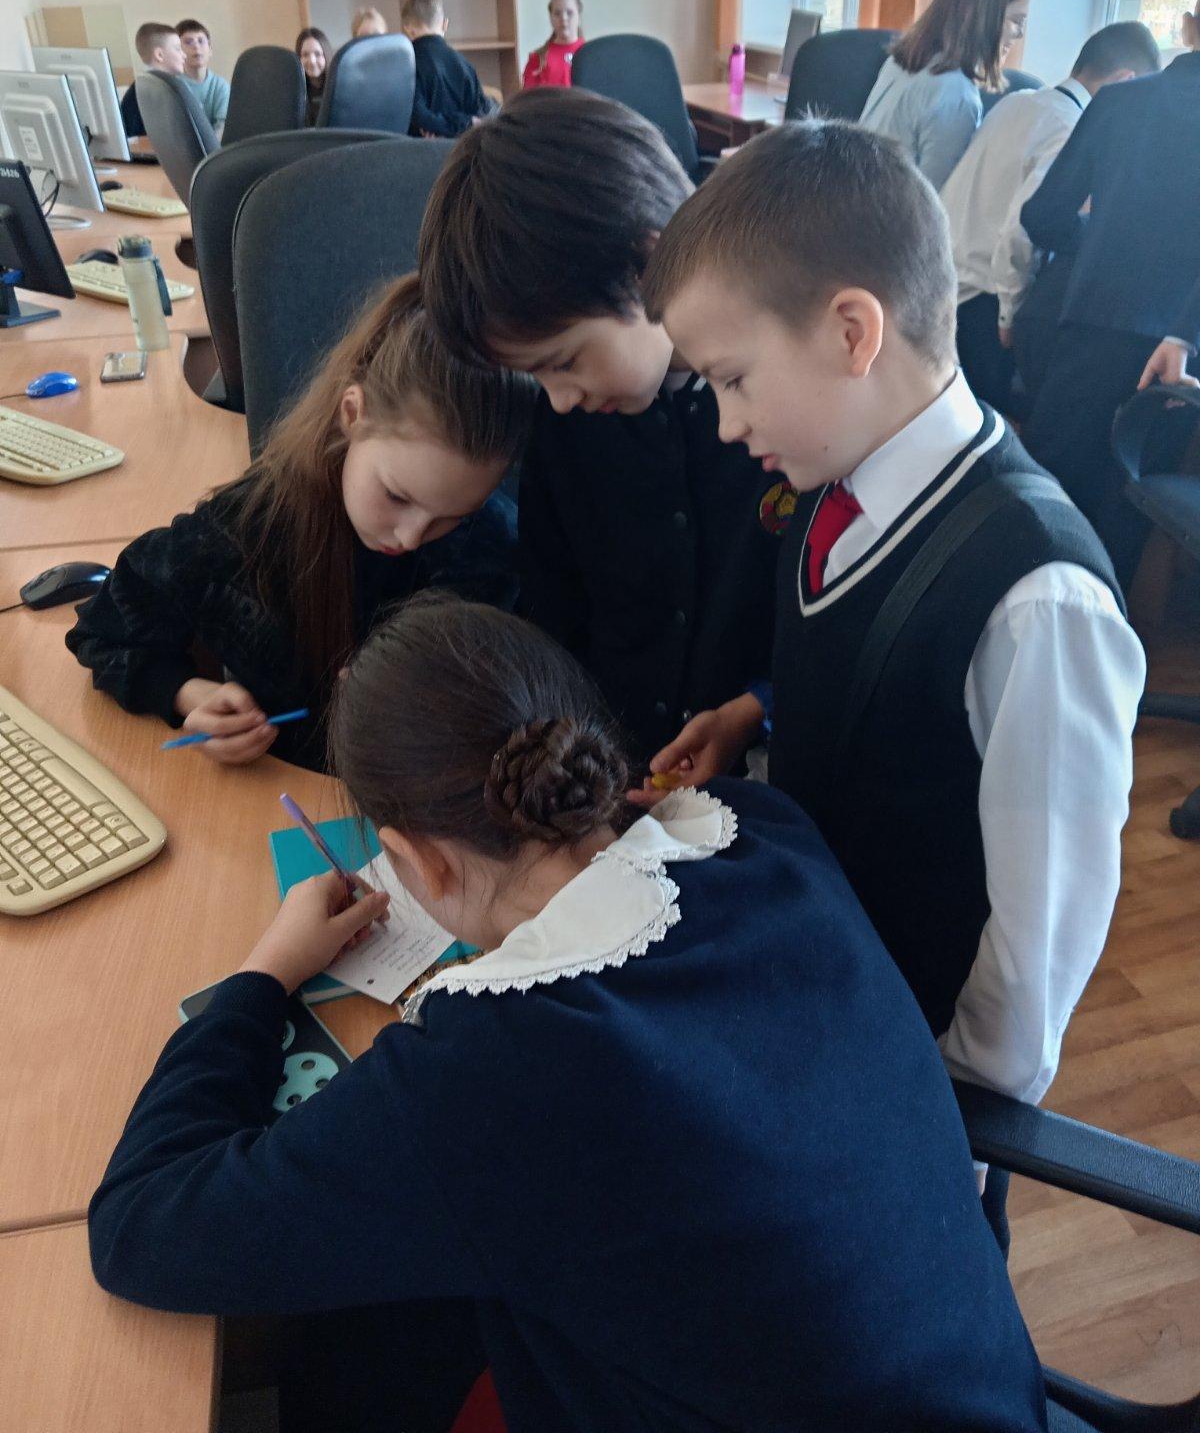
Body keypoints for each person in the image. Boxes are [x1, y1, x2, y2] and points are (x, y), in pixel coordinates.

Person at [89, 594, 1048, 1433]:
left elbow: (141, 1227)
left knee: (360, 1333)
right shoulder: (759, 831)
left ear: (417, 862)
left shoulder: (492, 1071)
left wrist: (264, 973)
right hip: (976, 1386)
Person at [640, 121, 1144, 1253]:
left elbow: (1036, 951)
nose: (726, 422)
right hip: (829, 1000)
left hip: (914, 1099)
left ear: (851, 331)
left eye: (733, 380)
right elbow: (882, 682)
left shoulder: (1037, 597)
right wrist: (756, 711)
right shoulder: (837, 477)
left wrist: (942, 1131)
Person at [418, 89, 783, 766]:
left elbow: (832, 626)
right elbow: (553, 608)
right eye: (536, 377)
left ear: (647, 266)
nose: (559, 400)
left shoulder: (791, 411)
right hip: (606, 772)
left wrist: (756, 709)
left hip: (767, 774)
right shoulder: (569, 424)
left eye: (563, 363)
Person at [66, 276, 534, 772]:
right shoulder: (247, 532)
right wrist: (189, 694)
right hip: (284, 793)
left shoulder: (493, 546)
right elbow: (105, 632)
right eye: (397, 497)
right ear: (352, 414)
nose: (411, 535)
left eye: (454, 516)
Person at [1019, 23, 1200, 585]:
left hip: (1089, 328)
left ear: (1188, 25)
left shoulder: (1119, 102)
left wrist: (1101, 245)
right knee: (1127, 519)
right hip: (1180, 361)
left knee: (1045, 508)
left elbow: (1043, 215)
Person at [942, 20, 1161, 414]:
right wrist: (1010, 316)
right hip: (984, 302)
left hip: (944, 279)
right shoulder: (1070, 129)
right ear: (1124, 81)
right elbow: (1021, 228)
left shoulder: (1019, 100)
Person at [859, 0, 1032, 190]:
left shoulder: (903, 61)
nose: (1020, 34)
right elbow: (937, 200)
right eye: (1016, 20)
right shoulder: (956, 97)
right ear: (983, 17)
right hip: (894, 211)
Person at [400, 0, 494, 138]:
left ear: (406, 28)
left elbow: (417, 115)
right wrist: (465, 123)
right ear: (445, 24)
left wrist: (435, 126)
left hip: (417, 148)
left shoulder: (405, 65)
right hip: (463, 148)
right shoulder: (464, 64)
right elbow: (480, 114)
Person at [119, 21, 186, 141]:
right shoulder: (161, 91)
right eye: (178, 49)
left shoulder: (144, 86)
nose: (184, 55)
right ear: (159, 55)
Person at [175, 17, 231, 135]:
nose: (196, 46)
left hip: (215, 145)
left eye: (200, 41)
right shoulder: (173, 86)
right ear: (178, 52)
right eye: (188, 42)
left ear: (210, 50)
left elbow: (223, 127)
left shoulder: (221, 86)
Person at [521, 0, 584, 88]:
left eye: (569, 13)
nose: (563, 18)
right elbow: (529, 96)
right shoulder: (538, 58)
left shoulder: (591, 55)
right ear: (551, 18)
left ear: (579, 17)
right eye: (557, 13)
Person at [296, 25, 333, 126]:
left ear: (326, 55)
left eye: (317, 54)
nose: (312, 61)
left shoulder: (338, 88)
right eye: (305, 55)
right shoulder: (294, 91)